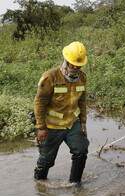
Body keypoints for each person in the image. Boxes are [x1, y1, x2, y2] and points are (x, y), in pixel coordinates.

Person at [33, 41, 89, 185]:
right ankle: (40, 185)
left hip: (72, 123)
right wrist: (41, 127)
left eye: (79, 65)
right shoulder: (50, 77)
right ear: (66, 60)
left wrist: (83, 122)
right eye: (72, 64)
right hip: (51, 127)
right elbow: (39, 103)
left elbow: (82, 101)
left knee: (81, 151)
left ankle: (75, 185)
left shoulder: (82, 78)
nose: (75, 67)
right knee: (46, 160)